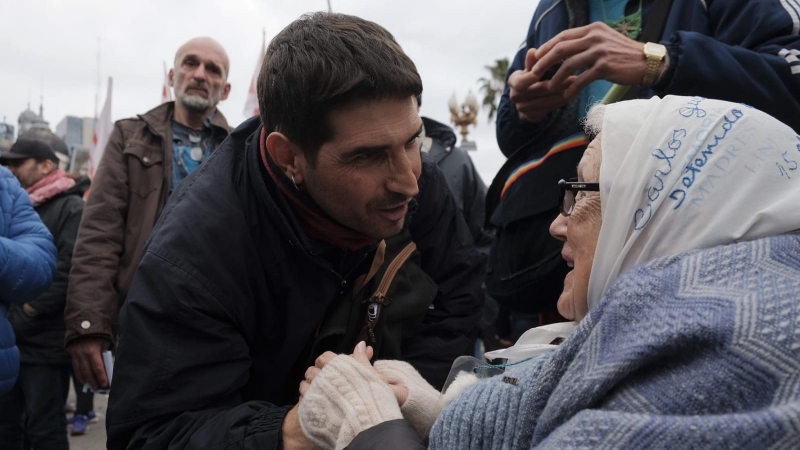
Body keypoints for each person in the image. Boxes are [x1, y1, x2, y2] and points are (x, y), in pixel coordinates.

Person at [298, 96, 800, 449]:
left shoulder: (717, 358)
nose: (558, 224)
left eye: (581, 192)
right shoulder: (724, 316)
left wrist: (369, 427)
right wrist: (430, 410)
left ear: (664, 208)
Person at [105, 13, 484, 450]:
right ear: (288, 156)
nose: (409, 181)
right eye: (368, 157)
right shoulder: (193, 258)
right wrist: (297, 429)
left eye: (412, 142)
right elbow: (153, 434)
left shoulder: (422, 187)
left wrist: (408, 397)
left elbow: (459, 291)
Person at [486, 0, 800, 335]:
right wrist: (524, 112)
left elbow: (789, 81)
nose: (556, 226)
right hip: (553, 278)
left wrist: (660, 62)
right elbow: (510, 132)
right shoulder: (550, 10)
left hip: (700, 275)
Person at [64, 36, 232, 391]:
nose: (200, 74)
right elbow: (99, 233)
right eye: (190, 63)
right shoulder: (130, 136)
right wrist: (89, 324)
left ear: (226, 89)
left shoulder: (241, 148)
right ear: (173, 75)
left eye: (212, 69)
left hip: (219, 327)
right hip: (142, 320)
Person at [0, 139, 88, 449]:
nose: (10, 169)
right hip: (13, 343)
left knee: (44, 428)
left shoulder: (71, 206)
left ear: (46, 165)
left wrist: (25, 313)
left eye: (18, 163)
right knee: (9, 429)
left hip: (45, 345)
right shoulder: (21, 202)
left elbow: (67, 270)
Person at [0, 161, 56, 400]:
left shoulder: (5, 184)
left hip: (39, 340)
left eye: (19, 162)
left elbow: (43, 261)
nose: (13, 167)